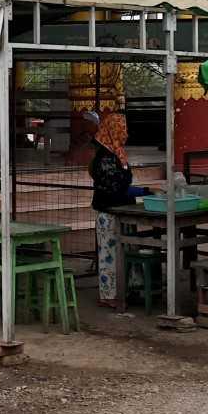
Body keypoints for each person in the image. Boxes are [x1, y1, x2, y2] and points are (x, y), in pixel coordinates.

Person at [86, 111, 132, 308]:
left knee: (120, 253)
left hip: (120, 211)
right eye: (122, 129)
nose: (125, 133)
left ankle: (123, 290)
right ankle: (108, 295)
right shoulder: (106, 158)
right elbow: (114, 188)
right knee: (108, 255)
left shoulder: (117, 153)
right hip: (108, 211)